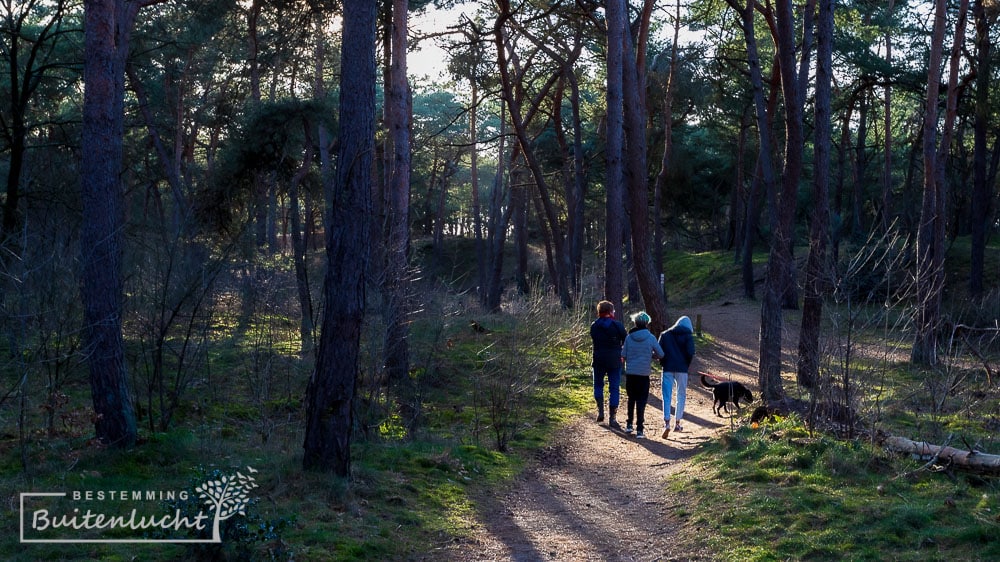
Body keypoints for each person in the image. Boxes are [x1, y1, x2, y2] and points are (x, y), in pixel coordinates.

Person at [621, 311, 663, 439]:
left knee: (631, 399)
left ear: (635, 323)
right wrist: (651, 355)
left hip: (631, 373)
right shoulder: (651, 338)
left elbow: (623, 355)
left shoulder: (629, 337)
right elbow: (661, 354)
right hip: (644, 374)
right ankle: (640, 429)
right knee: (641, 401)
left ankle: (629, 425)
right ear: (647, 323)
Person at [658, 315, 695, 439]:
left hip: (667, 368)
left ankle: (667, 422)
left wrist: (663, 363)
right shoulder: (688, 336)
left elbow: (659, 352)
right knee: (681, 395)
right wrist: (686, 365)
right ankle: (677, 423)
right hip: (682, 369)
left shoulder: (665, 335)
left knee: (666, 395)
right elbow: (690, 353)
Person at [590, 300, 626, 428]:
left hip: (598, 359)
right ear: (610, 312)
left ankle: (600, 412)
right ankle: (613, 418)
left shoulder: (594, 326)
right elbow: (625, 340)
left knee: (598, 385)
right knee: (614, 388)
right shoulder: (617, 325)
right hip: (614, 360)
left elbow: (594, 339)